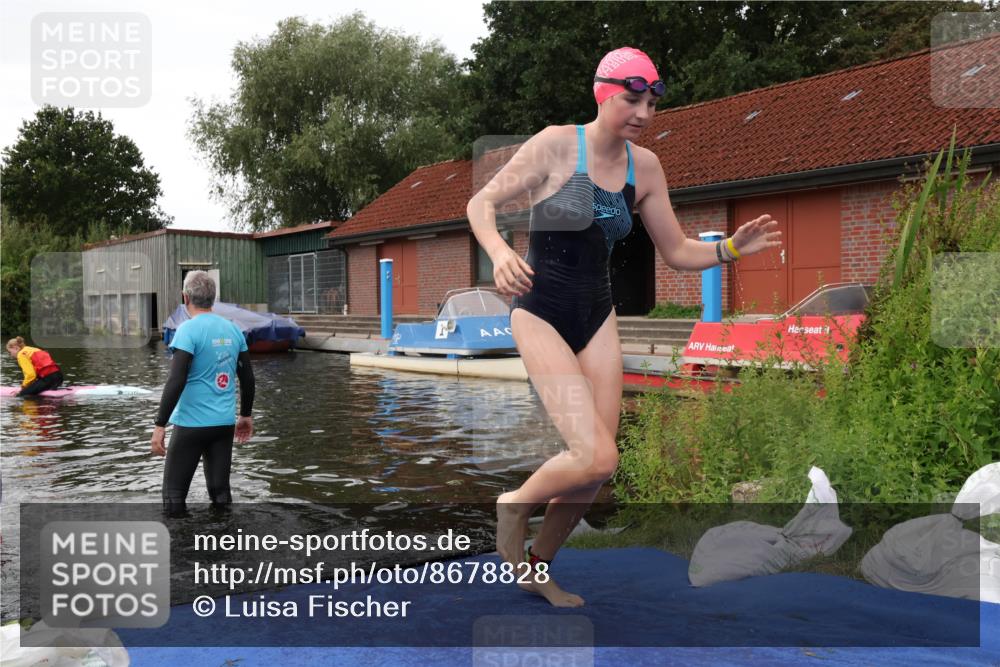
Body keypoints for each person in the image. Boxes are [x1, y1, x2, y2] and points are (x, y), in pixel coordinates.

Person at [467, 47, 782, 607]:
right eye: (631, 99)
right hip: (539, 309)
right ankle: (513, 505)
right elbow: (481, 202)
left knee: (593, 469)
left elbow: (679, 251)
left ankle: (538, 565)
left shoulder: (648, 168)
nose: (642, 112)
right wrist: (497, 250)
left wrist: (732, 248)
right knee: (597, 455)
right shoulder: (557, 144)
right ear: (603, 94)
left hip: (596, 314)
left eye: (650, 103)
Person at [151, 270, 255, 514]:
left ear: (185, 297)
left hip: (191, 425)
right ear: (213, 298)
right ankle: (224, 545)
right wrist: (246, 416)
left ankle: (180, 549)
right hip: (223, 424)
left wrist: (159, 425)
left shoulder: (187, 330)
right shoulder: (233, 330)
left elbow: (176, 380)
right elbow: (247, 378)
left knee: (174, 496)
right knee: (220, 494)